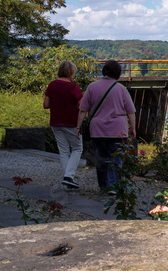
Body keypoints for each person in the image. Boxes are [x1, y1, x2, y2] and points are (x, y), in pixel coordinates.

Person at [77, 60, 136, 192]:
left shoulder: (92, 87)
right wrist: (133, 128)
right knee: (116, 158)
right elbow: (130, 111)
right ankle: (114, 186)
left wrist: (78, 127)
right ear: (118, 73)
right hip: (118, 130)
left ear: (104, 71)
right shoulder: (122, 89)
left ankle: (103, 186)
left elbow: (83, 110)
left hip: (97, 130)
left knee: (101, 159)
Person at [44, 60, 84, 189]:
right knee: (77, 148)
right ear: (71, 73)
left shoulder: (52, 85)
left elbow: (46, 105)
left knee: (63, 150)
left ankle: (68, 178)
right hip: (71, 122)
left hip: (55, 122)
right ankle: (68, 176)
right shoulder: (73, 87)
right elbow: (82, 105)